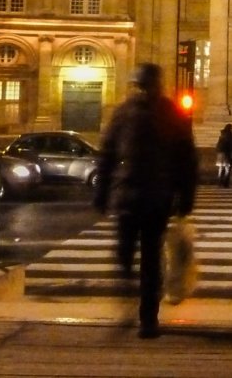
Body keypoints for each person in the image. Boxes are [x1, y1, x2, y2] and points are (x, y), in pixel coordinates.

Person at [94, 63, 199, 338]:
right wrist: (102, 191)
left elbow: (186, 159)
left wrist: (185, 196)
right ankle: (132, 300)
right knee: (125, 255)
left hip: (152, 197)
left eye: (144, 85)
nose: (142, 90)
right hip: (133, 196)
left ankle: (147, 317)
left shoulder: (163, 113)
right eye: (139, 85)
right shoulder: (127, 113)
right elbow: (106, 155)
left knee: (150, 259)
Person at [215, 123, 232, 187]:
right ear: (230, 128)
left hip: (220, 153)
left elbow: (218, 145)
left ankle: (219, 182)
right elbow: (231, 145)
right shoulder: (230, 135)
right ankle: (226, 183)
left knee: (220, 168)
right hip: (227, 153)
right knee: (227, 169)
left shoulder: (222, 135)